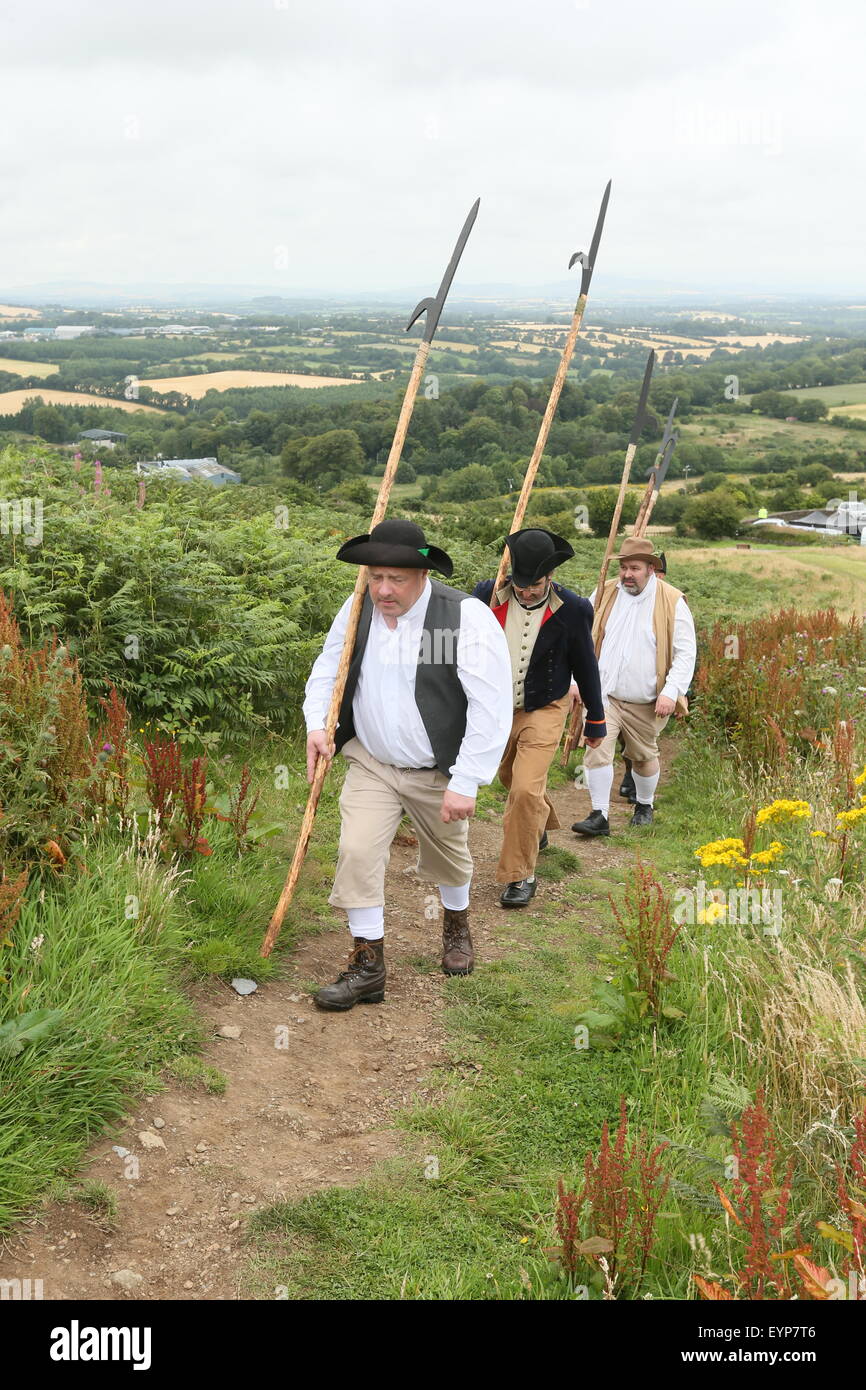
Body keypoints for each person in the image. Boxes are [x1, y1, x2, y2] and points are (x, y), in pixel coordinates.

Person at [303, 518, 513, 1010]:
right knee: (356, 851)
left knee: (450, 861)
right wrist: (319, 724)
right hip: (373, 761)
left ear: (423, 575)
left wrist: (466, 779)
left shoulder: (463, 616)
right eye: (375, 576)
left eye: (396, 578)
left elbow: (491, 703)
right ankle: (368, 966)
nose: (383, 589)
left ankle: (456, 925)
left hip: (438, 768)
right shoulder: (358, 610)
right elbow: (329, 667)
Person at [473, 528, 606, 907]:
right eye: (521, 583)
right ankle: (535, 825)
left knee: (525, 789)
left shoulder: (575, 608)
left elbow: (586, 664)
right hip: (496, 708)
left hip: (546, 706)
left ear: (551, 577)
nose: (527, 591)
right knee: (510, 778)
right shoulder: (485, 595)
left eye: (536, 584)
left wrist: (596, 719)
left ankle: (520, 875)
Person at [572, 536, 696, 836]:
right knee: (597, 748)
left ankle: (644, 805)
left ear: (651, 569)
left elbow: (685, 652)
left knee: (643, 757)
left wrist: (671, 690)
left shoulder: (672, 600)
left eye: (635, 568)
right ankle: (599, 814)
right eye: (624, 567)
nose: (627, 574)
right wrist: (575, 679)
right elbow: (581, 637)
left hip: (647, 698)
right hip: (605, 694)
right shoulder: (604, 593)